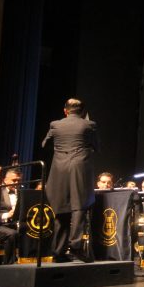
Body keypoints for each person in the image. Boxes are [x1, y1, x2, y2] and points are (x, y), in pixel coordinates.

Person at [42, 98, 99, 263]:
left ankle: (58, 251)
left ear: (65, 110)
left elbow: (44, 144)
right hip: (79, 167)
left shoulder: (55, 125)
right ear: (82, 112)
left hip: (59, 169)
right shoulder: (89, 125)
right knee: (79, 206)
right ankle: (76, 246)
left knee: (61, 209)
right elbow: (96, 146)